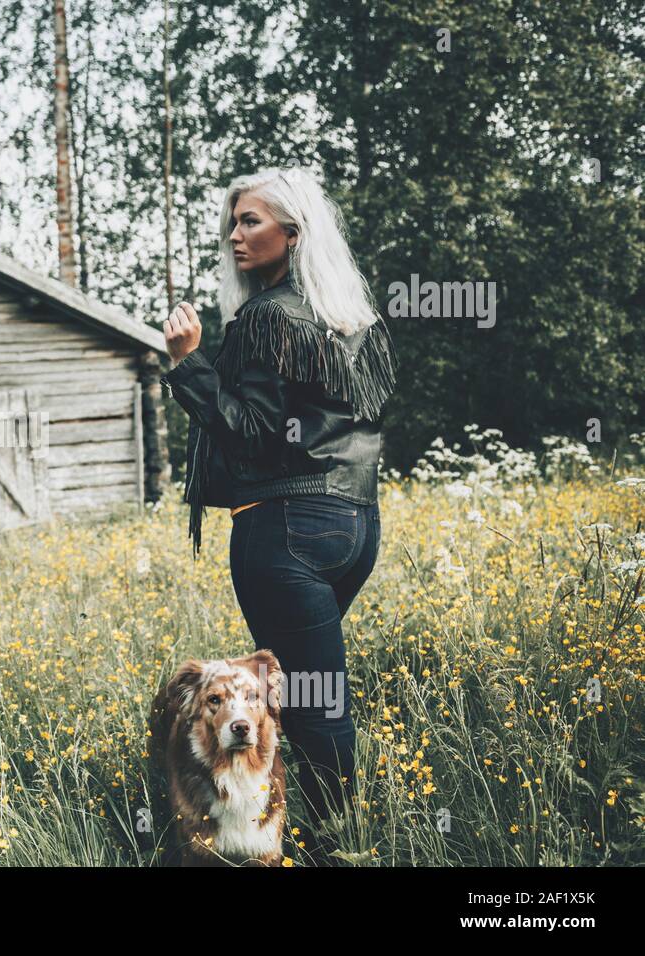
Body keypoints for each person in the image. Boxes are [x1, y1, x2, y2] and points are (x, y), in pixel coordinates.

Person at [159, 165, 398, 863]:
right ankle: (311, 836)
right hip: (353, 527)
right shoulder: (348, 320)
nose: (234, 235)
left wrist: (189, 365)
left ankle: (327, 851)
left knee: (317, 709)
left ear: (293, 233)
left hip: (282, 532)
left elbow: (250, 430)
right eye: (233, 222)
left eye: (251, 222)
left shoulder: (265, 317)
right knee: (314, 692)